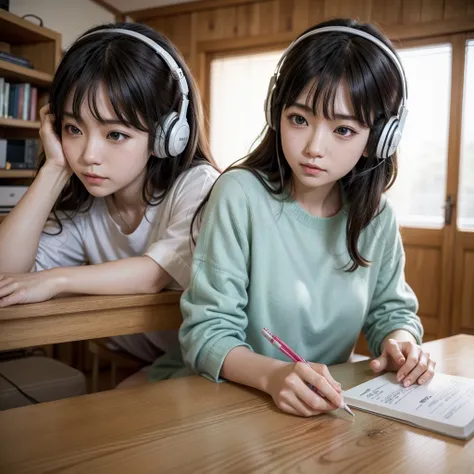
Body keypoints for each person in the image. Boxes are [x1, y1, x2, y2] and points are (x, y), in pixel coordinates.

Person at [175, 19, 435, 417]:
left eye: (343, 130)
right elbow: (206, 334)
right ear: (276, 113)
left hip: (321, 410)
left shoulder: (376, 218)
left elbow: (391, 312)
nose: (314, 147)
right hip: (229, 403)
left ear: (379, 139)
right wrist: (274, 376)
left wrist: (401, 341)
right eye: (299, 119)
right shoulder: (239, 194)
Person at [0, 23, 218, 379]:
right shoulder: (86, 200)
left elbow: (152, 275)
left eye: (115, 134)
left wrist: (56, 280)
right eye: (73, 129)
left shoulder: (198, 187)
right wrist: (55, 168)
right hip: (151, 366)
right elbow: (5, 272)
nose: (88, 155)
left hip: (207, 366)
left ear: (167, 136)